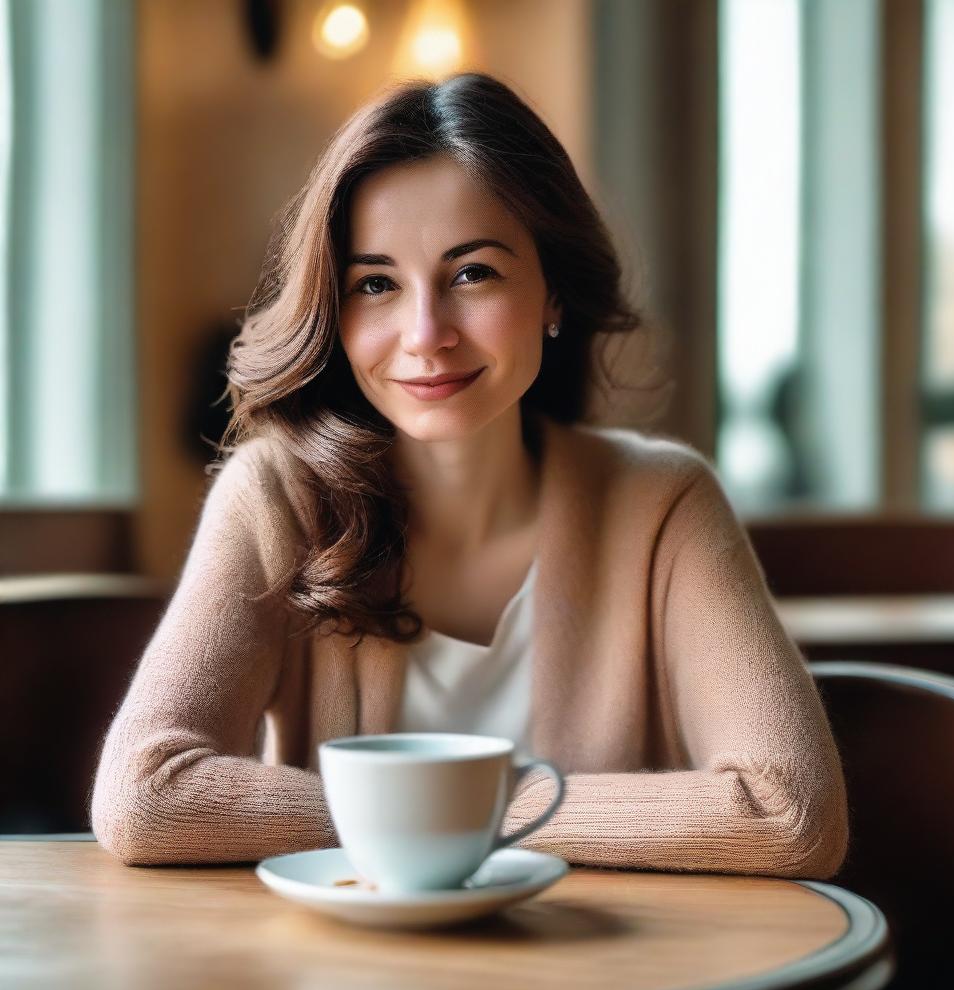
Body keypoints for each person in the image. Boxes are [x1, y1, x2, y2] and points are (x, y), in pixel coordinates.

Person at [90, 72, 848, 878]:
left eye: (472, 273)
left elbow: (789, 813)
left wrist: (434, 812)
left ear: (552, 291)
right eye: (375, 284)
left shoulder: (662, 504)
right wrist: (488, 811)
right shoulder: (276, 496)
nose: (425, 334)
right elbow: (145, 797)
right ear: (334, 314)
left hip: (611, 983)